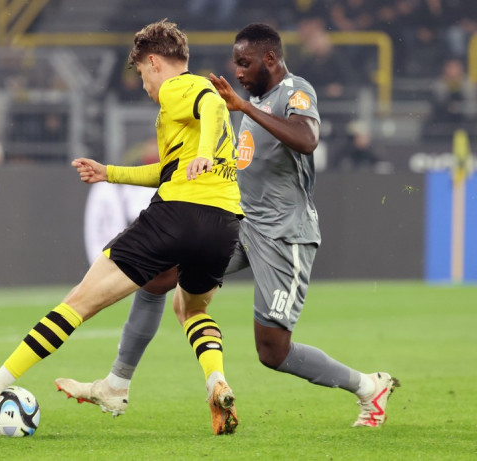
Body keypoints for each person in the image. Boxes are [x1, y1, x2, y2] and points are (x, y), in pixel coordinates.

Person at [55, 23, 400, 429]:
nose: (237, 71)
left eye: (244, 63)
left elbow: (307, 139)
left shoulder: (295, 91)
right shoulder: (247, 102)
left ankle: (368, 386)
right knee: (157, 276)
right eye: (235, 63)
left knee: (273, 352)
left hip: (285, 235)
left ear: (270, 59)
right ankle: (117, 383)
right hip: (241, 223)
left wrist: (244, 109)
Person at [0, 19, 243, 435]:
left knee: (79, 302)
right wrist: (109, 172)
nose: (145, 85)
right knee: (192, 310)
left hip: (180, 212)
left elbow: (214, 105)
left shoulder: (179, 87)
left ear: (154, 62)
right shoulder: (183, 112)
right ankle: (216, 382)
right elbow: (165, 171)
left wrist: (202, 154)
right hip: (225, 222)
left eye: (142, 74)